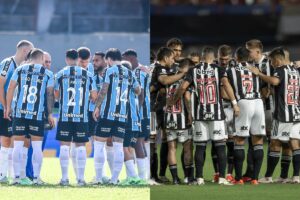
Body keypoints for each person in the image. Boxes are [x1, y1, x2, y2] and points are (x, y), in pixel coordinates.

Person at [170, 46, 239, 185]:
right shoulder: (218, 70)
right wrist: (234, 103)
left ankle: (200, 178)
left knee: (200, 147)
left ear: (202, 57)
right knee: (220, 146)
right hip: (217, 114)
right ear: (213, 58)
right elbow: (226, 84)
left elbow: (183, 88)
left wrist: (173, 101)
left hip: (200, 114)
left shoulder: (193, 70)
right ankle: (222, 178)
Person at [249, 47, 300, 184]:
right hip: (295, 113)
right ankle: (294, 176)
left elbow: (275, 81)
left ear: (278, 59)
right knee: (294, 144)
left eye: (272, 61)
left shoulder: (281, 70)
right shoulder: (295, 71)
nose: (271, 64)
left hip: (283, 114)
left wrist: (258, 73)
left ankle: (268, 176)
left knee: (274, 144)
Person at [5, 48, 55, 185]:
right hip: (36, 115)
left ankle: (16, 178)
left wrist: (8, 107)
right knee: (37, 147)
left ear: (30, 57)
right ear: (41, 59)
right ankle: (36, 178)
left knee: (18, 145)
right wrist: (50, 114)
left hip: (20, 113)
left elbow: (11, 88)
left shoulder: (20, 69)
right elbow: (50, 94)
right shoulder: (48, 73)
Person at [93, 48, 140, 185]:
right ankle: (114, 180)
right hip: (122, 116)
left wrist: (97, 107)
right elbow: (138, 90)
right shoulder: (130, 74)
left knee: (99, 145)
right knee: (118, 147)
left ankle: (98, 178)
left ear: (109, 59)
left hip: (108, 114)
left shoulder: (110, 70)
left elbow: (104, 90)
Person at [55, 49, 97, 186]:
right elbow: (94, 96)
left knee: (64, 147)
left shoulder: (60, 74)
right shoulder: (88, 74)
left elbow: (55, 95)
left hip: (65, 116)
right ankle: (80, 179)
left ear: (67, 59)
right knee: (80, 146)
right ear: (78, 58)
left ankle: (65, 179)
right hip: (81, 117)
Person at [224, 47, 266, 185]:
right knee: (258, 141)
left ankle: (238, 179)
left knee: (240, 140)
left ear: (236, 57)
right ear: (248, 57)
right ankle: (255, 178)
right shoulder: (256, 69)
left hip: (244, 102)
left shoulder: (231, 70)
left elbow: (225, 83)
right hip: (258, 102)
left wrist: (234, 102)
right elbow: (265, 87)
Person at [0, 40, 33, 184]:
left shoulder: (24, 67)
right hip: (4, 109)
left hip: (18, 111)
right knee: (6, 141)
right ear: (25, 51)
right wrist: (6, 106)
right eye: (30, 51)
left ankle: (17, 176)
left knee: (19, 142)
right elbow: (0, 86)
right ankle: (2, 175)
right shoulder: (8, 63)